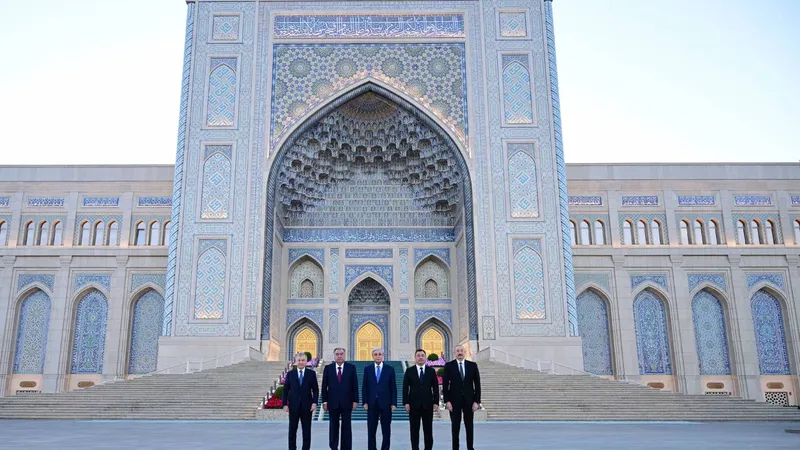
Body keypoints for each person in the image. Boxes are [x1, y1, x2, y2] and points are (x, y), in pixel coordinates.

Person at [441, 345, 481, 450]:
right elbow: (445, 385)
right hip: (454, 401)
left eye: (461, 351)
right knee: (455, 426)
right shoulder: (449, 366)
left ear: (465, 352)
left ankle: (470, 447)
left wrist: (476, 401)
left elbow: (477, 384)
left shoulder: (472, 365)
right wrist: (447, 401)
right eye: (457, 351)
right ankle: (455, 448)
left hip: (469, 401)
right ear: (454, 353)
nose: (460, 352)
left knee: (469, 426)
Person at [321, 347, 359, 450]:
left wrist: (355, 400)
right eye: (337, 354)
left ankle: (346, 447)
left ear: (344, 355)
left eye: (341, 354)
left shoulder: (351, 368)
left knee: (346, 426)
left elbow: (355, 385)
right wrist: (324, 401)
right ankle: (333, 447)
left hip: (347, 402)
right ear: (334, 355)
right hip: (332, 403)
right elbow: (324, 386)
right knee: (333, 426)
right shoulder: (328, 368)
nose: (339, 356)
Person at [403, 348, 440, 450]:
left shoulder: (431, 371)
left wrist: (436, 402)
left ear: (425, 357)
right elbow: (405, 388)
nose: (420, 357)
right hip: (413, 405)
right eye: (418, 356)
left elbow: (435, 388)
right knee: (414, 430)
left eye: (422, 355)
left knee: (428, 430)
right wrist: (406, 402)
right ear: (415, 358)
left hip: (428, 405)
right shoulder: (409, 371)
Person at [282, 352, 319, 450]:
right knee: (292, 431)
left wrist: (314, 402)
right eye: (299, 360)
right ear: (295, 361)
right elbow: (285, 390)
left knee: (306, 432)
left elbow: (315, 390)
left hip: (307, 407)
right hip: (293, 407)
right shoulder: (290, 374)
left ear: (306, 362)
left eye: (303, 360)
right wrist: (284, 404)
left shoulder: (311, 374)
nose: (301, 362)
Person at [362, 347, 397, 450]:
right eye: (375, 354)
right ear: (372, 356)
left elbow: (393, 387)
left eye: (380, 354)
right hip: (372, 404)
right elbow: (365, 387)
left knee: (386, 430)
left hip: (386, 404)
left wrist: (394, 403)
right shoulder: (367, 369)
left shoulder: (390, 369)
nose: (378, 356)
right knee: (371, 430)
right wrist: (365, 402)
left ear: (383, 356)